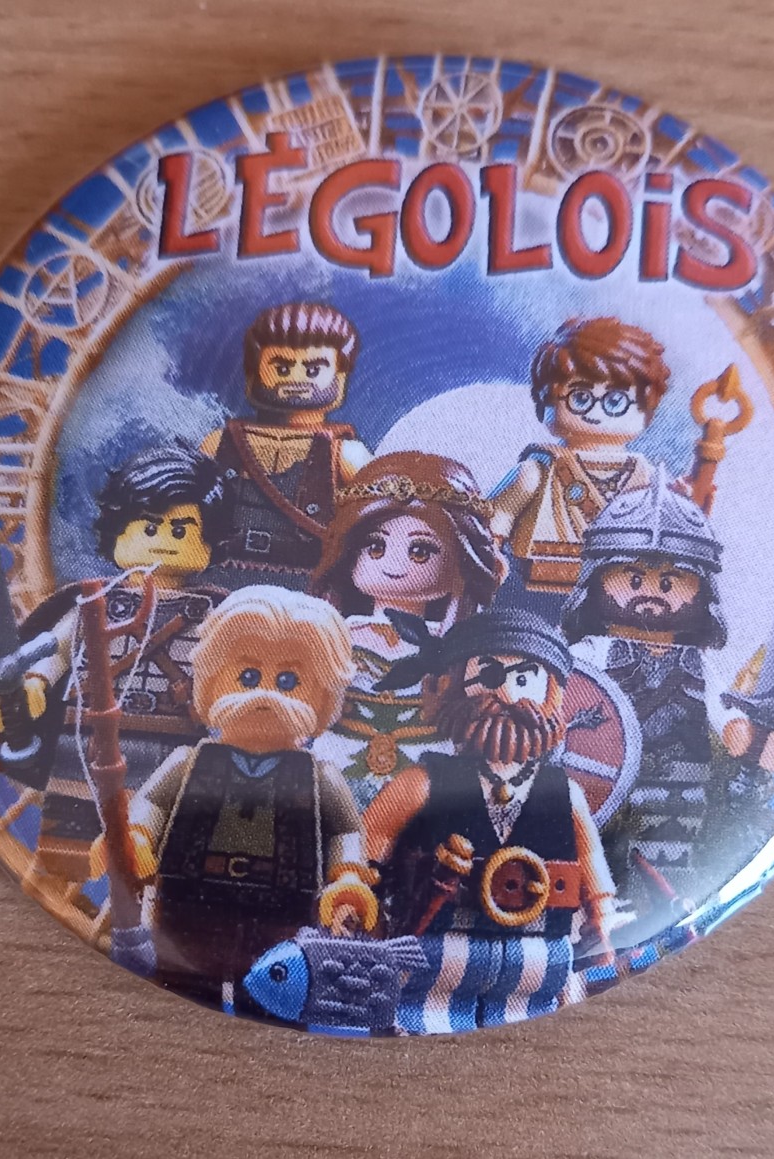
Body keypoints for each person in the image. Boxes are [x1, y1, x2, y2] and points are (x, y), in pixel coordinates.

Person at [124, 586, 378, 1014]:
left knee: (272, 1002)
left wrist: (348, 876)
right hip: (188, 902)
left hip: (284, 913)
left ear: (324, 696)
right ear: (210, 679)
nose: (265, 695)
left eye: (289, 681)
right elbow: (153, 803)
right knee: (176, 996)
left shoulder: (320, 777)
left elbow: (346, 831)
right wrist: (137, 835)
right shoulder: (189, 762)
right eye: (247, 676)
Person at [363, 609, 618, 1034]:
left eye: (525, 679)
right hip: (435, 949)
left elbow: (592, 865)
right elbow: (370, 841)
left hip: (539, 956)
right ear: (454, 684)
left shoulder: (564, 792)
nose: (505, 692)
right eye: (489, 674)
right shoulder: (422, 782)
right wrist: (356, 890)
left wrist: (603, 914)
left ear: (551, 695)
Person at [561, 470, 774, 930]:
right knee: (598, 862)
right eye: (632, 578)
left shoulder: (699, 663)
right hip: (603, 787)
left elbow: (723, 712)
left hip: (683, 784)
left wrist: (740, 733)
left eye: (670, 583)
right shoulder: (588, 655)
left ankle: (661, 922)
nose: (650, 593)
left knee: (670, 871)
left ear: (701, 591)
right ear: (597, 580)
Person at [5, 442, 229, 881]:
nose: (162, 541)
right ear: (117, 530)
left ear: (209, 540)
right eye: (148, 527)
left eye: (180, 531)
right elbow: (57, 646)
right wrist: (37, 681)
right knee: (71, 826)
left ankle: (151, 875)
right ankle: (69, 869)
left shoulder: (215, 612)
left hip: (172, 741)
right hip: (84, 736)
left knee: (159, 826)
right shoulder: (93, 600)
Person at [311, 452, 506, 810]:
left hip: (425, 771)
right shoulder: (337, 633)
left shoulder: (456, 646)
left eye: (420, 551)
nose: (394, 565)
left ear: (461, 560)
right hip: (336, 760)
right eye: (375, 546)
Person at [490, 317, 670, 620]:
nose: (596, 411)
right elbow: (499, 516)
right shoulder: (538, 469)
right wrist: (491, 552)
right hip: (533, 588)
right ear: (546, 399)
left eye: (616, 400)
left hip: (616, 591)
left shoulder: (644, 474)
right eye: (581, 397)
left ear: (646, 406)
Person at [200, 301, 371, 589]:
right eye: (281, 368)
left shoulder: (345, 454)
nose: (296, 379)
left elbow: (377, 521)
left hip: (305, 589)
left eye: (313, 370)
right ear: (254, 372)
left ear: (340, 376)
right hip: (216, 577)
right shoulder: (219, 444)